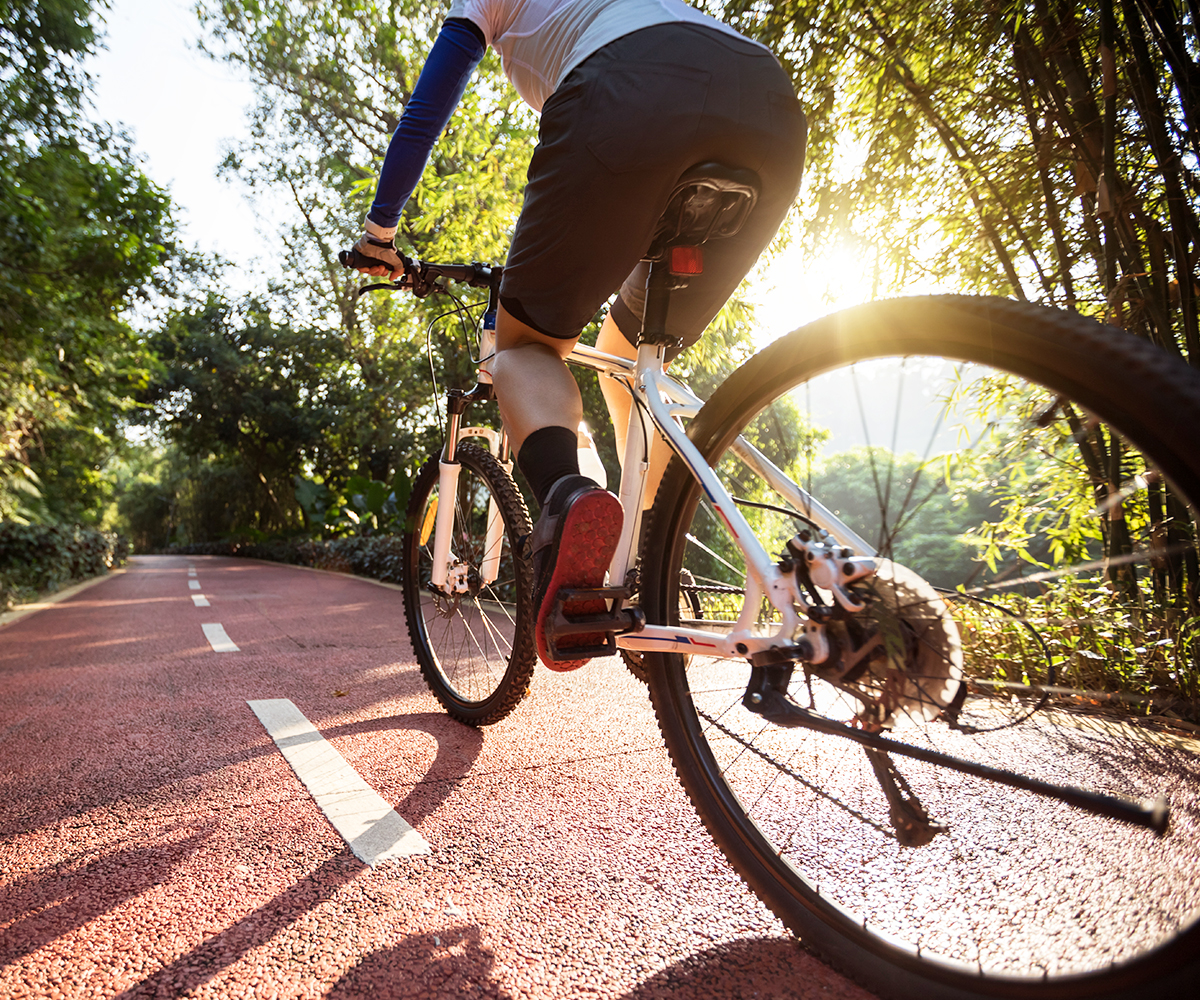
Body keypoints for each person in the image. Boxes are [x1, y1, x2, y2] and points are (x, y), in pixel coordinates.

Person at [349, 0, 806, 671]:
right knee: (627, 357)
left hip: (632, 92)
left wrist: (379, 233)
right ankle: (647, 551)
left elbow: (428, 106)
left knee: (526, 347)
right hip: (767, 103)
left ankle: (569, 497)